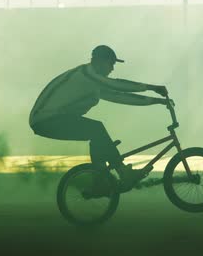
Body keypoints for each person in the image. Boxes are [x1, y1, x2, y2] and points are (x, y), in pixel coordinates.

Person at [29, 45, 168, 189]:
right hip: (46, 119)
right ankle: (121, 172)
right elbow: (118, 85)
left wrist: (156, 101)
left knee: (96, 134)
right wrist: (153, 87)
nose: (112, 69)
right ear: (100, 61)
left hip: (51, 119)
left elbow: (120, 97)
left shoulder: (94, 82)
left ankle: (100, 178)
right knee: (96, 129)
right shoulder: (86, 74)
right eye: (111, 64)